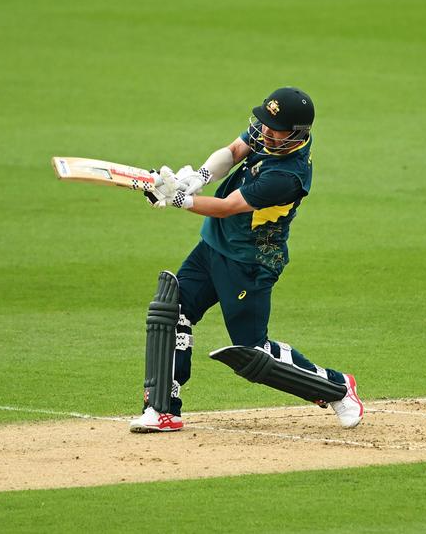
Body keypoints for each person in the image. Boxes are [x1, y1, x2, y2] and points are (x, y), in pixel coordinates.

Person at [129, 87, 363, 433]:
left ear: (297, 134)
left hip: (249, 262)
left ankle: (337, 388)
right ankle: (163, 409)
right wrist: (198, 178)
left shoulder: (288, 176)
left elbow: (226, 208)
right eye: (265, 123)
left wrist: (179, 200)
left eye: (275, 128)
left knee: (253, 354)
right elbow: (235, 150)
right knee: (170, 312)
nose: (266, 131)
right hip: (212, 247)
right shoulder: (271, 132)